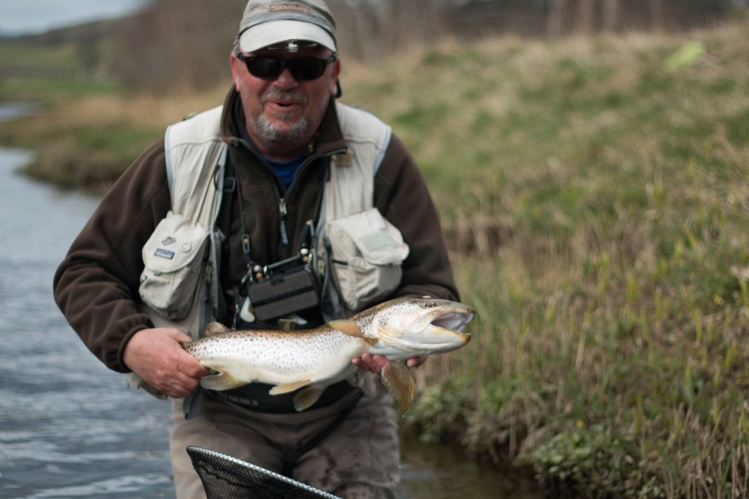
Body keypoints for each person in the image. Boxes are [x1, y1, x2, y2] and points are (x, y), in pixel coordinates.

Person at [53, 0, 458, 497]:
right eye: (265, 62)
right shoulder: (180, 155)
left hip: (348, 412)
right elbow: (83, 271)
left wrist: (406, 349)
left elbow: (430, 283)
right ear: (236, 68)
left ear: (334, 73)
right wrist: (131, 343)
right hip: (221, 414)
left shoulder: (379, 154)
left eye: (306, 64)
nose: (284, 80)